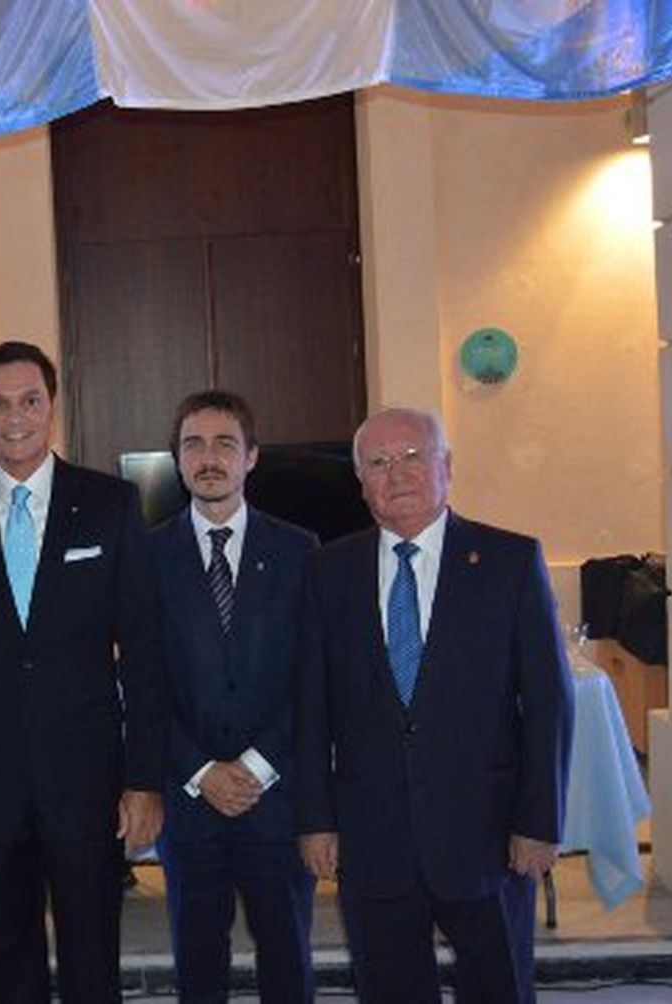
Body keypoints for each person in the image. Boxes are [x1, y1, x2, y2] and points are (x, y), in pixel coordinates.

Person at [293, 407, 574, 1002]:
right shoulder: (326, 571)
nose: (398, 474)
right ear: (361, 481)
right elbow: (311, 706)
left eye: (415, 456)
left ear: (446, 466)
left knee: (499, 987)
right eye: (379, 462)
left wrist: (538, 821)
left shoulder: (510, 562)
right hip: (373, 840)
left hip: (488, 837)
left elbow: (548, 701)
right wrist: (316, 819)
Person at [0, 340, 167, 1002]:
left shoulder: (111, 506)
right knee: (2, 968)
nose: (15, 417)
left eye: (29, 400)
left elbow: (145, 656)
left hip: (88, 782)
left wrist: (145, 779)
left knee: (93, 963)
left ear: (51, 407)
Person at [150, 392, 317, 1003]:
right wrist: (199, 769)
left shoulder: (301, 552)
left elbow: (312, 677)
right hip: (188, 801)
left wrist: (254, 766)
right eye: (193, 444)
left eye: (225, 444)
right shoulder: (146, 556)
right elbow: (140, 685)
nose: (209, 458)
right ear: (177, 460)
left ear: (252, 457)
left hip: (276, 796)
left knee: (288, 960)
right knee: (197, 965)